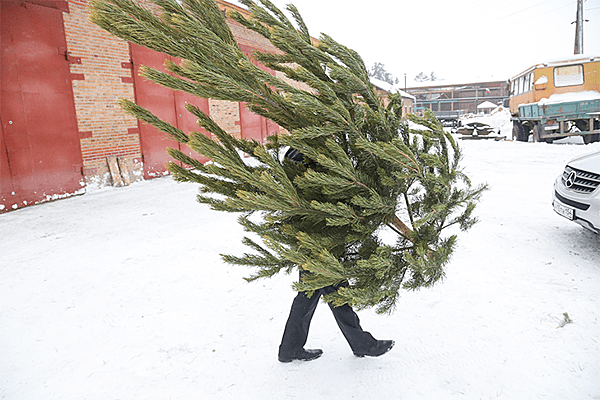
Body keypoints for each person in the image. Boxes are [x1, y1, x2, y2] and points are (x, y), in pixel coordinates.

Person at [277, 148, 394, 363]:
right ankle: (361, 344)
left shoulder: (302, 149)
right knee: (335, 290)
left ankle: (290, 348)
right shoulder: (302, 153)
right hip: (316, 236)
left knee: (310, 293)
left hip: (312, 235)